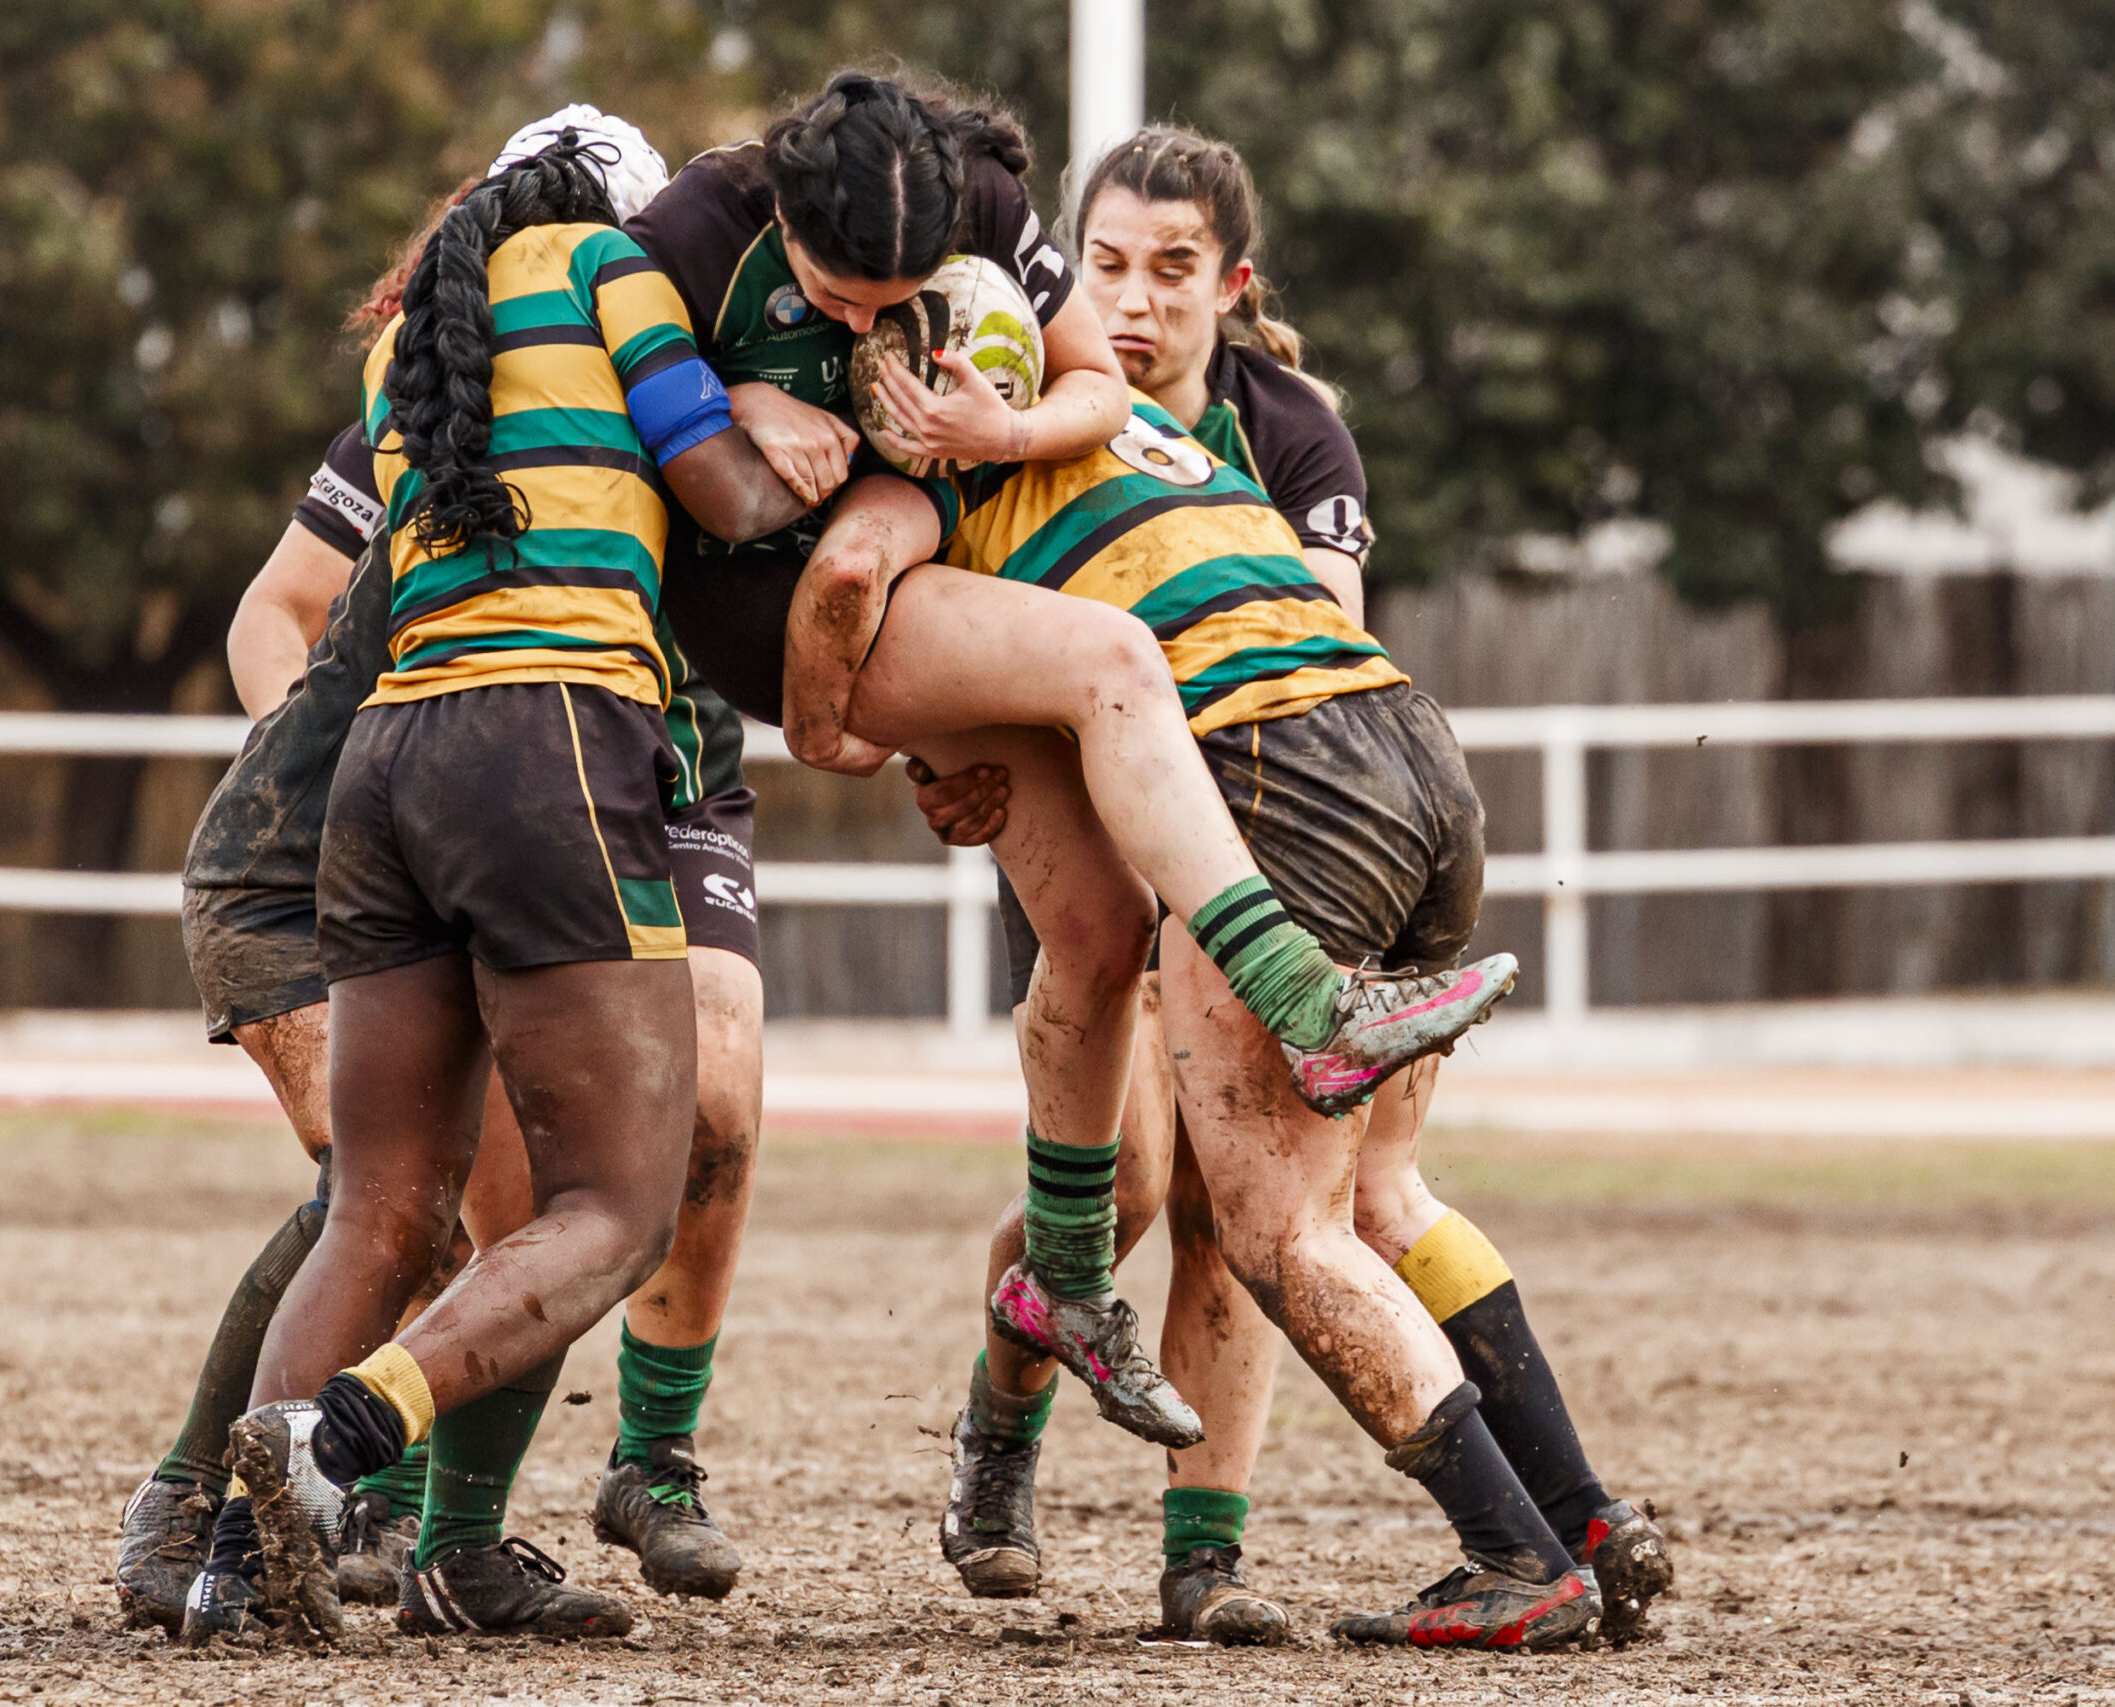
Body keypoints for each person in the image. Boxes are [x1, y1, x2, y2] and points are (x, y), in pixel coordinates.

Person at [631, 73, 1517, 1450]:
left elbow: (1109, 415)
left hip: (1192, 758)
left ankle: (1071, 1343)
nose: (868, 327)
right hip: (857, 613)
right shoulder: (695, 235)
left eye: (900, 299)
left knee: (1119, 961)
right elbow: (676, 437)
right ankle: (1292, 1008)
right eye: (842, 299)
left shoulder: (1273, 417)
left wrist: (999, 434)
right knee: (1149, 1169)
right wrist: (734, 393)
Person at [921, 126, 1673, 1649]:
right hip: (1126, 841)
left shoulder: (1284, 425)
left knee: (1291, 1208)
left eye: (1174, 269)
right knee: (1129, 1192)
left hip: (1280, 808)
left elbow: (1308, 634)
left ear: (1233, 285)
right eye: (1107, 264)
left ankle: (1238, 1559)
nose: (1135, 301)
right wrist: (958, 759)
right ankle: (1000, 1443)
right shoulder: (1009, 404)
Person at [177, 132, 812, 1646]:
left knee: (384, 1207)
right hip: (551, 751)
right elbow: (726, 496)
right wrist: (819, 444)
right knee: (616, 1208)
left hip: (386, 771)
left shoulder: (416, 342)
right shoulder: (616, 277)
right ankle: (342, 1442)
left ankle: (235, 1567)